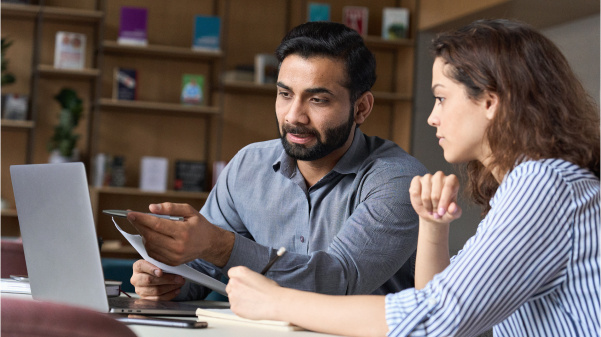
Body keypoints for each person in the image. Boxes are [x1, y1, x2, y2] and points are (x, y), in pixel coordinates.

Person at [225, 19, 600, 337]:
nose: (432, 117)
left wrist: (275, 300)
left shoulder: (544, 184)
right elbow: (439, 301)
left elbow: (435, 319)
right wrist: (433, 228)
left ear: (489, 101)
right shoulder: (534, 185)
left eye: (441, 98)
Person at [127, 21, 427, 301]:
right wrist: (165, 279)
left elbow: (337, 282)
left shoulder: (398, 180)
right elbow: (203, 271)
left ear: (361, 108)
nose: (293, 116)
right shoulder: (248, 166)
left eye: (317, 99)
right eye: (285, 94)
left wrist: (219, 245)